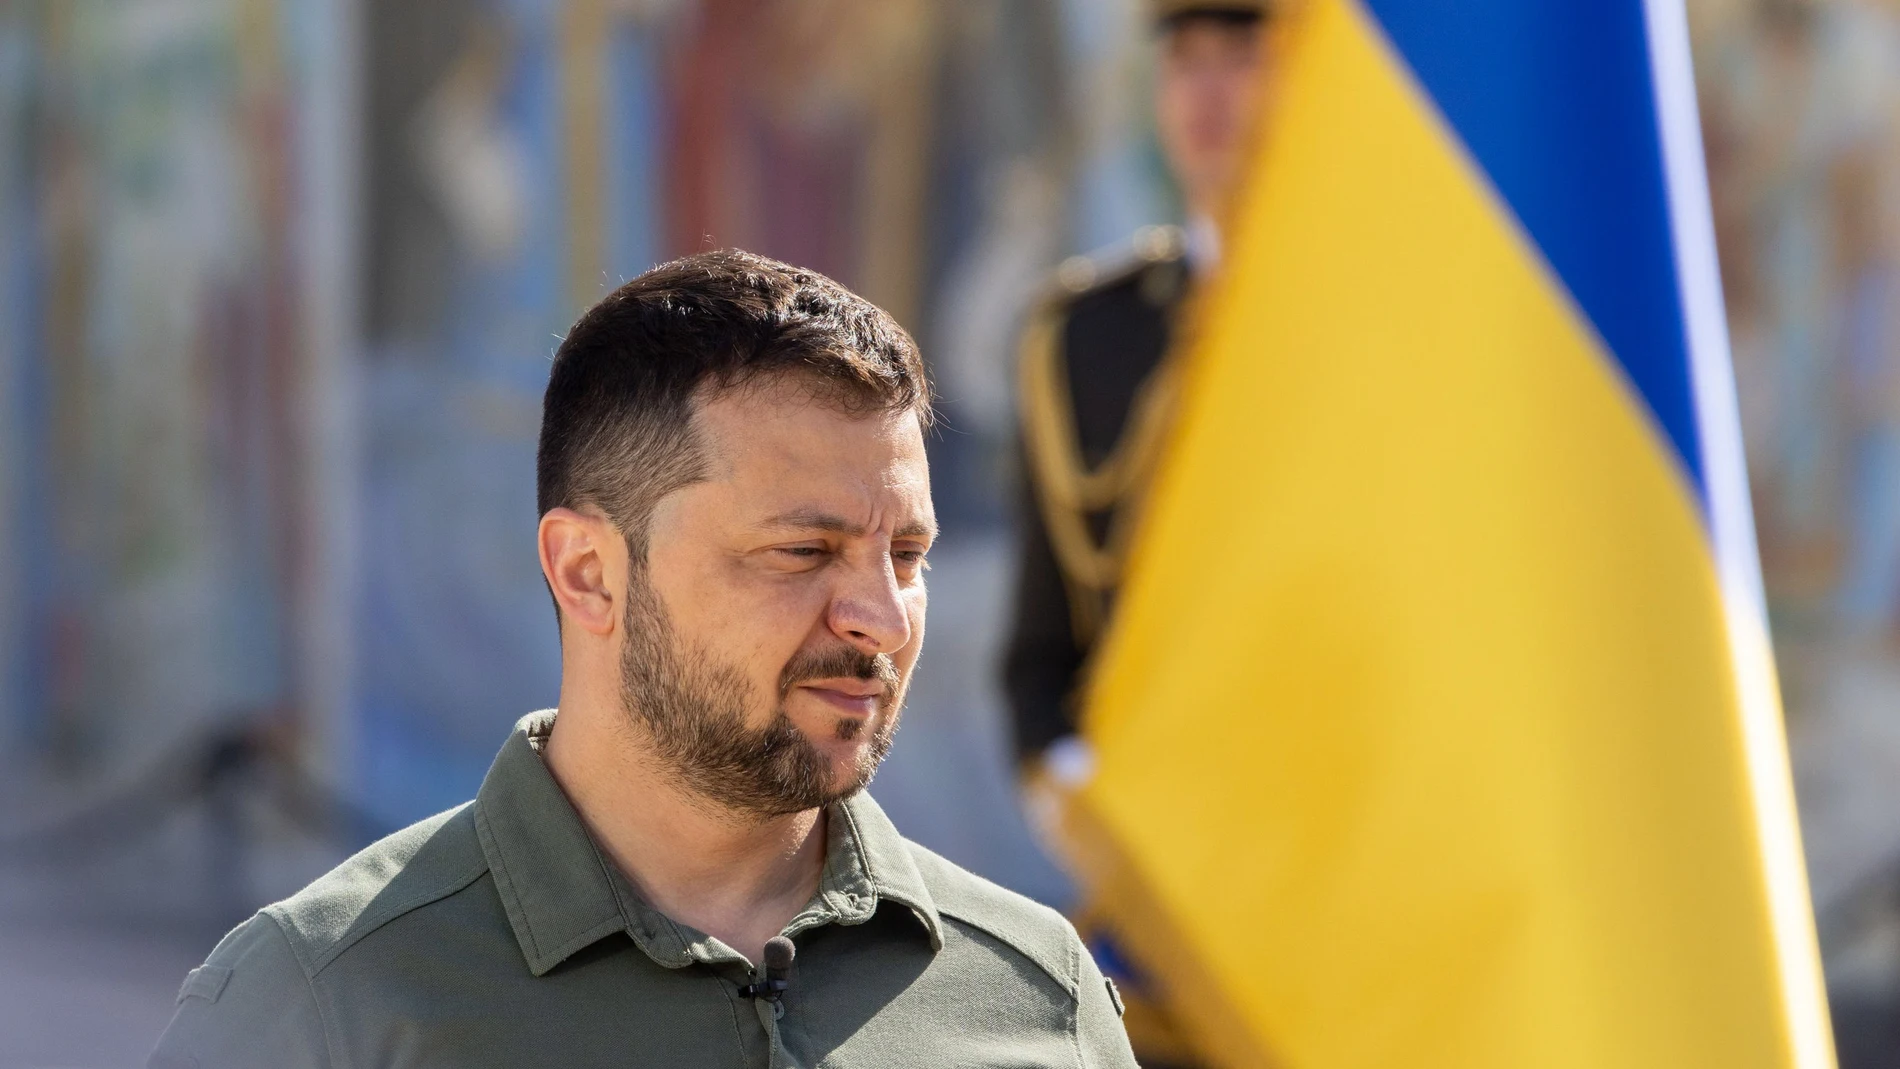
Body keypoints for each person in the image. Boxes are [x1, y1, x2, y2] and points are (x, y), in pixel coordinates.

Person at [151, 251, 1138, 1069]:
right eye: (804, 551)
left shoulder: (1040, 997)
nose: (880, 615)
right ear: (588, 573)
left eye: (907, 555)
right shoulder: (322, 1004)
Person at [1003, 1, 1270, 1063]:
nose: (1206, 96)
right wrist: (1093, 806)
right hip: (1158, 921)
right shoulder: (1092, 334)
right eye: (1183, 61)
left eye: (1241, 58)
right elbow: (1041, 661)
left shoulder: (1420, 334)